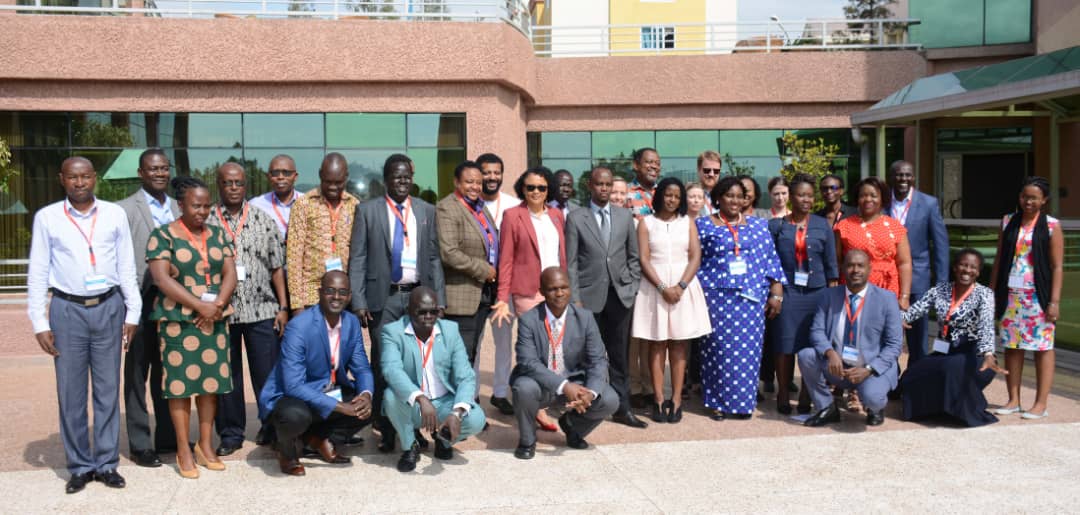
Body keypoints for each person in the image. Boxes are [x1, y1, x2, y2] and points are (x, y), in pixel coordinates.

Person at [28, 157, 141, 493]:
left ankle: (106, 464)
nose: (80, 183)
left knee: (107, 392)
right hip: (67, 310)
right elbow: (37, 271)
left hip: (109, 306)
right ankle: (79, 465)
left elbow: (126, 266)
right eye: (73, 177)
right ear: (62, 179)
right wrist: (39, 320)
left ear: (95, 178)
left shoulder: (114, 214)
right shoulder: (47, 217)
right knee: (71, 394)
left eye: (86, 176)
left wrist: (132, 312)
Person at [349, 153, 445, 453]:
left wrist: (438, 298)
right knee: (384, 361)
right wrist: (359, 300)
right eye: (396, 176)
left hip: (418, 297)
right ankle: (385, 428)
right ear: (386, 179)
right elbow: (358, 257)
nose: (402, 181)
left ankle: (413, 427)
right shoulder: (368, 210)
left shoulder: (427, 210)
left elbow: (433, 257)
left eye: (407, 177)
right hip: (384, 298)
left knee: (416, 362)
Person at [146, 176, 237, 478]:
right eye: (196, 206)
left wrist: (217, 306)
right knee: (180, 389)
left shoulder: (218, 234)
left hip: (214, 321)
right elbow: (162, 279)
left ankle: (205, 445)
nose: (202, 211)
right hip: (178, 323)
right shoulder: (163, 236)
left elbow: (230, 274)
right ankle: (183, 449)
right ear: (181, 205)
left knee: (210, 387)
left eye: (206, 206)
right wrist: (199, 306)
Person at [208, 163, 289, 456]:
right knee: (226, 376)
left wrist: (283, 307)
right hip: (221, 313)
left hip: (262, 311)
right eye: (228, 183)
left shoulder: (262, 219)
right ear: (219, 184)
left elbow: (277, 267)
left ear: (246, 186)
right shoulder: (206, 221)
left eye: (239, 183)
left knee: (266, 374)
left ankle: (270, 427)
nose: (233, 188)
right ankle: (231, 434)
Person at [259, 271, 373, 477]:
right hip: (291, 396)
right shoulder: (299, 327)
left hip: (329, 389)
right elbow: (293, 385)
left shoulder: (351, 322)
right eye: (330, 291)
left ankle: (320, 439)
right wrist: (341, 407)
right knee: (295, 416)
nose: (336, 297)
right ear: (319, 293)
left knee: (376, 399)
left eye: (342, 292)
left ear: (349, 296)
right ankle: (286, 452)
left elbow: (362, 368)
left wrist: (365, 394)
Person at [696, 176, 785, 420]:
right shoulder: (703, 225)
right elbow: (694, 260)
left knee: (747, 353)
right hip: (716, 300)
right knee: (718, 351)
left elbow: (771, 259)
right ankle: (716, 401)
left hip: (751, 301)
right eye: (729, 195)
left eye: (739, 196)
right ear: (718, 198)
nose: (735, 201)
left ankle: (743, 403)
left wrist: (776, 293)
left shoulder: (758, 226)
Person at [565, 167, 646, 428]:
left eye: (608, 184)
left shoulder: (624, 216)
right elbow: (571, 263)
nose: (604, 188)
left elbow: (634, 256)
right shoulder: (577, 218)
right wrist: (575, 299)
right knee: (588, 355)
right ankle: (586, 408)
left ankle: (623, 409)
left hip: (620, 296)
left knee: (619, 355)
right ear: (590, 185)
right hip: (588, 298)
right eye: (599, 184)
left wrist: (632, 288)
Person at [511, 267, 619, 459]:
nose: (559, 293)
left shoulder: (584, 318)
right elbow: (527, 362)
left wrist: (590, 393)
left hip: (574, 382)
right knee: (523, 388)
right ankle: (527, 440)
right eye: (553, 289)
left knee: (609, 399)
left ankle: (572, 426)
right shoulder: (529, 320)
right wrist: (563, 386)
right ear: (542, 291)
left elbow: (598, 360)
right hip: (540, 384)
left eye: (564, 288)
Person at [380, 287, 487, 472]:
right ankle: (409, 446)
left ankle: (444, 437)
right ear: (409, 310)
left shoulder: (450, 330)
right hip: (414, 405)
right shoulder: (392, 332)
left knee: (477, 418)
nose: (429, 316)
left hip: (444, 402)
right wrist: (420, 398)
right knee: (390, 397)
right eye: (422, 311)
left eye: (434, 311)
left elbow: (466, 376)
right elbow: (391, 370)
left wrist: (456, 414)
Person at [117, 148, 178, 468]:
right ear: (141, 173)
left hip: (173, 305)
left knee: (168, 372)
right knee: (137, 374)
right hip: (139, 302)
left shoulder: (181, 207)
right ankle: (141, 443)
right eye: (152, 169)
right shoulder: (123, 210)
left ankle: (168, 437)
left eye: (164, 168)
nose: (159, 173)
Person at [492, 166, 567, 431]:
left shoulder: (557, 216)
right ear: (522, 188)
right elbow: (507, 259)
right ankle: (536, 407)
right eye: (530, 187)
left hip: (555, 292)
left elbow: (562, 256)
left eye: (542, 188)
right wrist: (502, 297)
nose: (536, 192)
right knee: (535, 349)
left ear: (549, 191)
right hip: (528, 292)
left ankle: (541, 400)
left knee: (553, 349)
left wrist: (568, 290)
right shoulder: (513, 215)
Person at [631, 177, 711, 423]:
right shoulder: (646, 223)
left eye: (677, 196)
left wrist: (681, 285)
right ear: (660, 196)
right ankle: (657, 398)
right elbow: (643, 259)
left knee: (678, 345)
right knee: (656, 344)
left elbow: (695, 256)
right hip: (654, 287)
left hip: (683, 287)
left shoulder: (688, 222)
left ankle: (675, 400)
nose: (672, 199)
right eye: (668, 194)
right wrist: (663, 287)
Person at [797, 250, 902, 427]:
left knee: (873, 398)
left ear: (870, 269)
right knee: (806, 355)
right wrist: (830, 353)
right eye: (850, 265)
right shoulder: (829, 296)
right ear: (843, 269)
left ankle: (874, 408)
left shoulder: (887, 299)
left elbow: (894, 344)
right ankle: (827, 407)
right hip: (839, 366)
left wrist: (868, 369)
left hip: (871, 368)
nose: (855, 270)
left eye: (860, 265)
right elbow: (817, 331)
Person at [901, 248, 1004, 427]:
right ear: (955, 268)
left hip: (975, 354)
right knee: (914, 372)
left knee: (951, 368)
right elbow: (915, 311)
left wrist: (988, 353)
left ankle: (960, 413)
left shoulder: (984, 294)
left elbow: (986, 326)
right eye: (963, 265)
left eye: (973, 267)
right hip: (946, 351)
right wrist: (895, 321)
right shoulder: (940, 290)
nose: (967, 270)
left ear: (978, 272)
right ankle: (932, 411)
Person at [991, 177, 1063, 420]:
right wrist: (991, 294)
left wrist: (1054, 301)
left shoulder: (1052, 226)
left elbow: (1057, 266)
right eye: (1024, 197)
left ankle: (1040, 404)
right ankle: (1013, 400)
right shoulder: (1008, 221)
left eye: (1033, 197)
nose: (1028, 201)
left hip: (1038, 298)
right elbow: (1000, 259)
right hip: (1011, 296)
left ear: (1044, 200)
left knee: (1042, 348)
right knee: (1012, 346)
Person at [766, 174, 838, 414]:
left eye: (809, 195)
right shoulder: (777, 226)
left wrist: (832, 296)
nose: (806, 199)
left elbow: (831, 265)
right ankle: (783, 392)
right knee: (784, 345)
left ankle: (808, 393)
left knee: (812, 345)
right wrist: (775, 292)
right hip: (788, 292)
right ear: (792, 197)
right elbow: (770, 262)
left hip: (816, 293)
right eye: (800, 195)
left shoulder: (821, 225)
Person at [436, 160, 499, 368]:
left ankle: (466, 399)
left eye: (479, 183)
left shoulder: (479, 207)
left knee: (471, 354)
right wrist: (484, 269)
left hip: (483, 293)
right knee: (459, 359)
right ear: (456, 182)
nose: (475, 187)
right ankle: (456, 400)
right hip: (461, 297)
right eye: (469, 182)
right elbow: (449, 253)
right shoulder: (447, 208)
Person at [888, 160, 949, 366]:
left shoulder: (928, 203)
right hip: (887, 280)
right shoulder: (881, 203)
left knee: (918, 338)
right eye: (898, 175)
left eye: (907, 175)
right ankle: (891, 383)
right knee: (887, 336)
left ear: (913, 177)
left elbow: (940, 246)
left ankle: (914, 384)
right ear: (891, 177)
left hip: (918, 281)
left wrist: (941, 285)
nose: (903, 179)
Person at [287, 152, 358, 312]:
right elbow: (294, 257)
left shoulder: (354, 205)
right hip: (311, 295)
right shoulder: (303, 204)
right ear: (320, 175)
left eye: (338, 182)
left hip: (342, 296)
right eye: (328, 182)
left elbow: (359, 254)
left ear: (346, 177)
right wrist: (297, 305)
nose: (333, 187)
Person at [476, 152, 518, 416]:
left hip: (506, 288)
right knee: (474, 342)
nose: (492, 177)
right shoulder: (471, 204)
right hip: (477, 286)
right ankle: (471, 393)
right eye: (487, 172)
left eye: (496, 172)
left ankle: (500, 392)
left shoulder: (514, 205)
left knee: (504, 342)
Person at [833, 177, 912, 309]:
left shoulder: (895, 227)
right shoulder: (844, 226)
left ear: (882, 198)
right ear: (857, 199)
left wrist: (904, 296)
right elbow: (837, 261)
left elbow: (904, 263)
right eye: (863, 195)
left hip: (888, 287)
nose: (868, 199)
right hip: (854, 287)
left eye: (873, 195)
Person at [249, 154, 301, 240]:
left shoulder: (309, 203)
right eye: (275, 173)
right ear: (268, 176)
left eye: (286, 173)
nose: (280, 177)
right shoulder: (255, 205)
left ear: (295, 176)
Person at [626, 147, 660, 218]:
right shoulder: (624, 192)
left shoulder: (664, 192)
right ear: (636, 165)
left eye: (657, 164)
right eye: (649, 162)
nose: (654, 166)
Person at [695, 150, 722, 217]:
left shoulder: (724, 196)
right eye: (707, 170)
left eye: (716, 171)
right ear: (698, 169)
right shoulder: (689, 195)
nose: (711, 174)